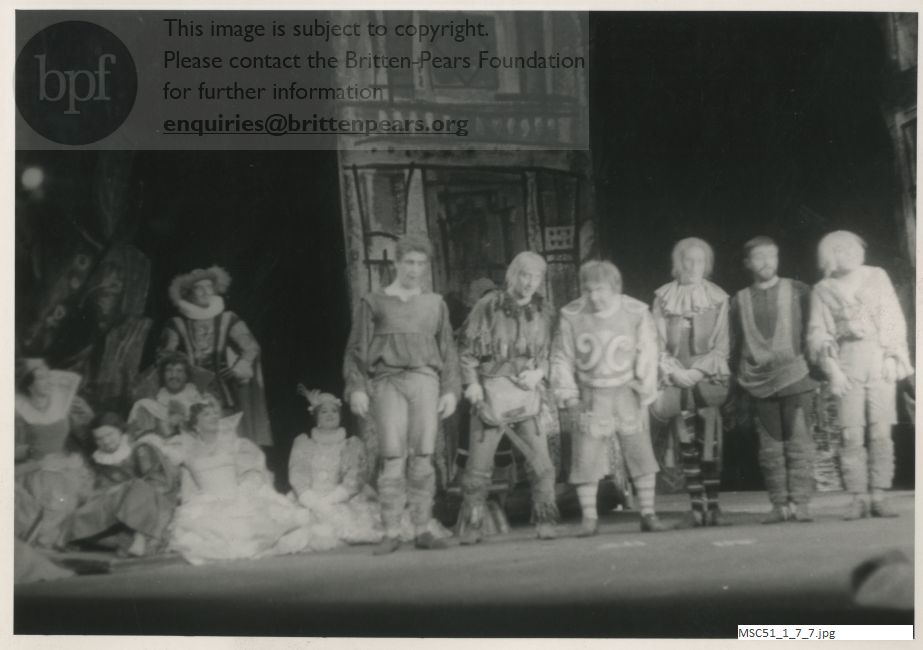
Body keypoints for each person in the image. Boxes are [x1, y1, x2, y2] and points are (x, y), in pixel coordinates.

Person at [343, 233, 462, 554]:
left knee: (423, 454)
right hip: (388, 382)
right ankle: (392, 531)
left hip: (425, 380)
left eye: (421, 263)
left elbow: (448, 349)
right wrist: (356, 387)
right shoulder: (374, 302)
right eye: (408, 262)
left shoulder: (435, 303)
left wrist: (451, 389)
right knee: (393, 456)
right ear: (396, 263)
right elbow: (356, 349)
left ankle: (423, 528)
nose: (414, 269)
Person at [550, 260, 669, 535]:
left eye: (600, 289)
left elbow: (649, 350)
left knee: (640, 454)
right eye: (588, 289)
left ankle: (648, 514)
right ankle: (589, 519)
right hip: (590, 394)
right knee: (585, 457)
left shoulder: (635, 311)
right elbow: (561, 356)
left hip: (626, 392)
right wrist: (568, 395)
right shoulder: (572, 314)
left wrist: (644, 386)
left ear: (615, 287)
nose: (594, 296)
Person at [807, 231, 913, 520]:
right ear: (829, 256)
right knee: (851, 432)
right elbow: (818, 334)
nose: (850, 253)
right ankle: (857, 497)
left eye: (853, 247)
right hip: (847, 363)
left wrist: (894, 357)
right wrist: (834, 372)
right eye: (841, 250)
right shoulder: (823, 290)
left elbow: (893, 319)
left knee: (881, 430)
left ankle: (879, 494)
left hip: (878, 360)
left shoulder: (877, 276)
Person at [457, 252, 559, 544]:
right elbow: (465, 350)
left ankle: (545, 520)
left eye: (536, 276)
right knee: (478, 469)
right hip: (490, 395)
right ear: (513, 275)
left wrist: (540, 372)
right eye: (524, 275)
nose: (529, 283)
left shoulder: (545, 311)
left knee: (542, 464)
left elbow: (553, 353)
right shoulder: (488, 306)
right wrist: (472, 384)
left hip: (528, 395)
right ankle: (474, 525)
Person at [167, 397, 331, 565]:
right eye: (207, 414)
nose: (214, 416)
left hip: (237, 497)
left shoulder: (235, 444)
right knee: (207, 535)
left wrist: (246, 491)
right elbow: (175, 472)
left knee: (256, 527)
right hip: (208, 503)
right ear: (195, 424)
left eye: (215, 413)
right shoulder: (186, 450)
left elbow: (253, 471)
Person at [730, 237, 817, 523]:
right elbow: (734, 343)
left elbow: (814, 332)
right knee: (770, 447)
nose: (766, 262)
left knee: (799, 442)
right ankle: (779, 504)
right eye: (759, 257)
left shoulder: (799, 291)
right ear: (747, 263)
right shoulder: (738, 301)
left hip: (796, 377)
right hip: (759, 381)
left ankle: (801, 503)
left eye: (772, 256)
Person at [650, 238, 731, 527]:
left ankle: (714, 506)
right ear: (678, 263)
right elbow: (656, 345)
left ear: (706, 264)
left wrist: (696, 372)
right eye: (688, 260)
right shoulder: (663, 298)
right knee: (686, 443)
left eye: (699, 261)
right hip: (676, 381)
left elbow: (722, 346)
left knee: (709, 441)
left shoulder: (718, 297)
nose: (694, 266)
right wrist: (674, 372)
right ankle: (696, 507)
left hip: (707, 378)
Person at [159, 266, 272, 448]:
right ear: (189, 292)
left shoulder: (228, 318)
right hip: (188, 395)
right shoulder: (177, 323)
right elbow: (164, 358)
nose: (205, 292)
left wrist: (240, 366)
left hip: (224, 395)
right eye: (199, 288)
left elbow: (251, 347)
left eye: (209, 287)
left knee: (225, 443)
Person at [63, 413, 179, 557]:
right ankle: (123, 542)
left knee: (137, 486)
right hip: (116, 508)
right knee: (75, 519)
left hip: (152, 503)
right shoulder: (98, 461)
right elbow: (98, 490)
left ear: (120, 431)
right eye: (99, 438)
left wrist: (125, 490)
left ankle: (140, 537)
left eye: (109, 435)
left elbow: (158, 482)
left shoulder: (140, 449)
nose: (105, 441)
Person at [14, 359, 94, 550]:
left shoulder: (62, 403)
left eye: (49, 376)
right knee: (52, 491)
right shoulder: (17, 409)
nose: (49, 382)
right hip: (34, 468)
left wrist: (88, 418)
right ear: (29, 384)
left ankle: (63, 537)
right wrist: (34, 454)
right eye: (42, 378)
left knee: (75, 492)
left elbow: (83, 435)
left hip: (65, 464)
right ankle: (46, 538)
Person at [289, 387, 382, 544]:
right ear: (316, 417)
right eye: (324, 412)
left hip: (342, 499)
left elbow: (355, 476)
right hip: (310, 498)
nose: (330, 415)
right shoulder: (304, 443)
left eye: (334, 411)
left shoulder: (351, 444)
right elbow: (298, 473)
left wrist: (331, 500)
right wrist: (312, 501)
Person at [129, 352, 210, 439]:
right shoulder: (162, 394)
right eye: (169, 371)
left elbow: (201, 413)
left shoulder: (192, 391)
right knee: (142, 403)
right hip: (165, 433)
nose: (173, 375)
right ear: (163, 375)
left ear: (186, 375)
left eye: (179, 371)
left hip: (188, 430)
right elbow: (158, 414)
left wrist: (183, 417)